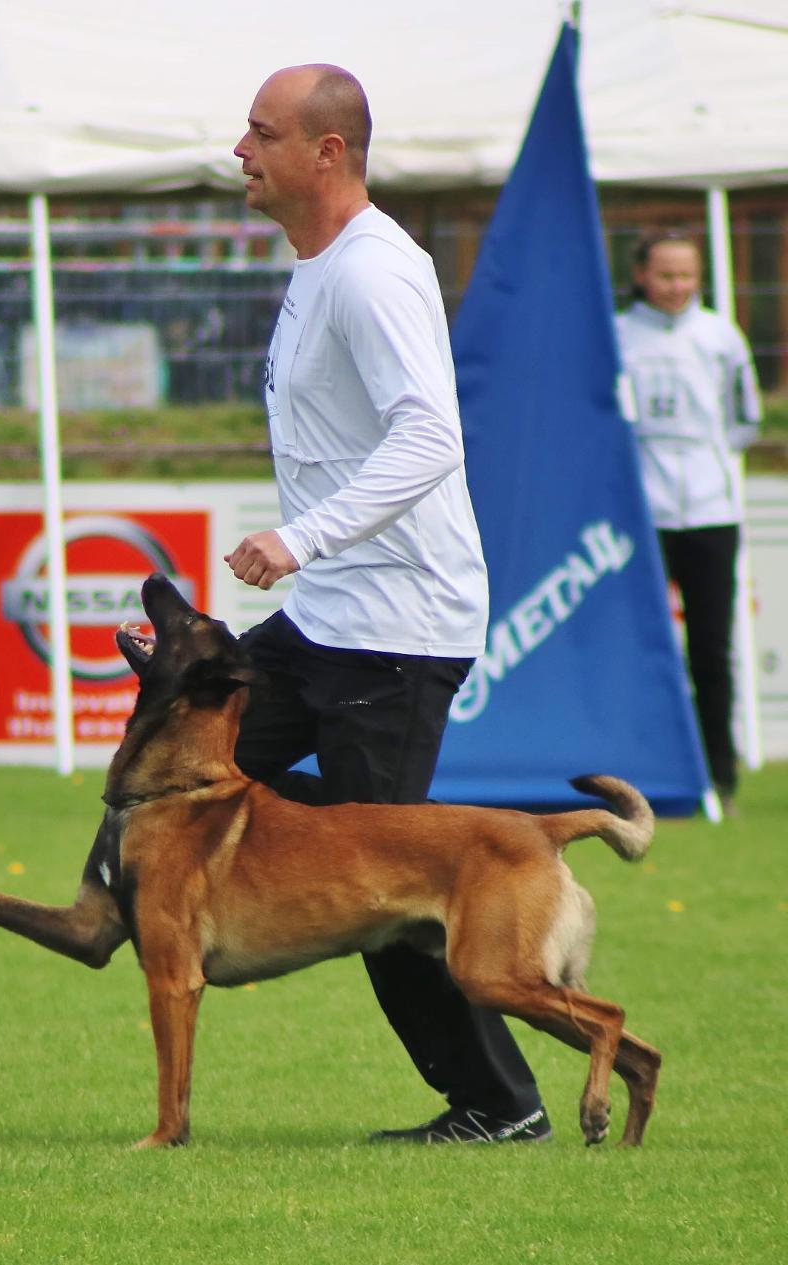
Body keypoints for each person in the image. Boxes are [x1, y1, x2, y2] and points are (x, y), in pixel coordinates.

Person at [224, 64, 548, 1144]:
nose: (241, 151)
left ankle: (500, 1104)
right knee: (188, 744)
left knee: (382, 896)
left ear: (327, 153)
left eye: (261, 134)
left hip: (395, 634)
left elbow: (429, 438)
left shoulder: (372, 273)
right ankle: (109, 918)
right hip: (327, 618)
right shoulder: (317, 265)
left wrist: (297, 535)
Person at [615, 231, 762, 815]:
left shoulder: (721, 337)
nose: (677, 286)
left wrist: (703, 465)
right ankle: (640, 767)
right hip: (641, 514)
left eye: (687, 275)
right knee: (644, 646)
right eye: (666, 274)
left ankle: (717, 771)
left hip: (709, 512)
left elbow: (742, 419)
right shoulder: (619, 334)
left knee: (711, 646)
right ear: (643, 275)